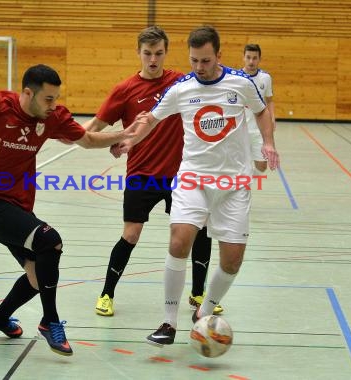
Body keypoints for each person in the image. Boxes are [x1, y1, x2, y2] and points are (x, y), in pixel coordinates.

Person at [0, 64, 137, 356]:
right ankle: (50, 321)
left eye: (56, 98)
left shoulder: (52, 116)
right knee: (49, 239)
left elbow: (87, 139)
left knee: (37, 276)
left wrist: (126, 134)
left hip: (17, 205)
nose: (53, 105)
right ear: (28, 93)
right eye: (48, 98)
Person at [118, 26, 279, 346]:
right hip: (193, 178)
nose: (199, 67)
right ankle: (167, 322)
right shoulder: (181, 89)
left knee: (232, 259)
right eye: (193, 61)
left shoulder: (241, 83)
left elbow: (262, 112)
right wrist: (128, 140)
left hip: (234, 184)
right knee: (179, 242)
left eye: (205, 60)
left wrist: (268, 143)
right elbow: (151, 119)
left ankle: (203, 313)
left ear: (218, 55)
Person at [84, 26, 222, 317]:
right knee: (131, 235)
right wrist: (100, 138)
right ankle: (107, 293)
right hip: (141, 174)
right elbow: (93, 129)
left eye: (158, 53)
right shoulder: (124, 90)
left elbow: (213, 77)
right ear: (138, 53)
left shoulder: (179, 83)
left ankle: (198, 295)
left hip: (181, 176)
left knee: (199, 232)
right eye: (147, 53)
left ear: (166, 53)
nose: (153, 59)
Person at [241, 44, 276, 174]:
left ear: (259, 59)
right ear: (243, 58)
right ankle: (242, 185)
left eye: (254, 58)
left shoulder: (265, 78)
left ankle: (247, 177)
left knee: (262, 166)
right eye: (248, 57)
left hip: (258, 130)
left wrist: (272, 118)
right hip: (240, 129)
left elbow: (270, 100)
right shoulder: (237, 78)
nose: (251, 61)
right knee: (240, 164)